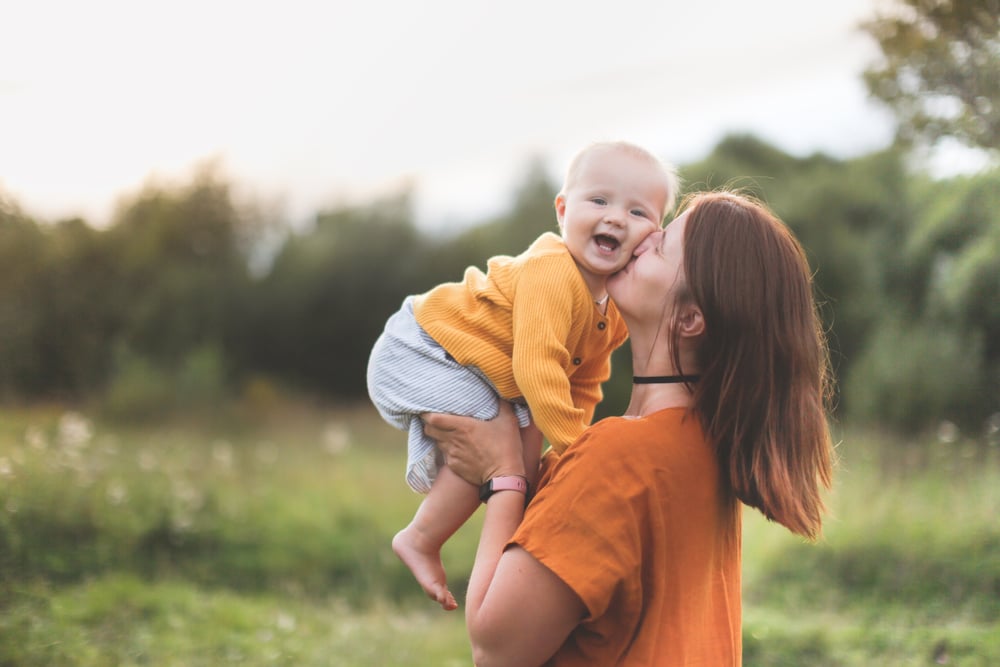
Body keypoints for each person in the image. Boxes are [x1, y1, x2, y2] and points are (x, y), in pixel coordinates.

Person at [423, 190, 835, 666]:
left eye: (661, 245)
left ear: (690, 318)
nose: (642, 236)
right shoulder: (702, 443)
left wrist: (504, 475)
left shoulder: (620, 457)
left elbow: (495, 649)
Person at [367, 141, 680, 610]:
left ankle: (509, 511)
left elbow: (582, 386)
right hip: (425, 347)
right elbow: (537, 370)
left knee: (521, 453)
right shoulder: (552, 271)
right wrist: (580, 452)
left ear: (654, 235)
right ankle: (420, 537)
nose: (615, 217)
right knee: (502, 450)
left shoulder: (611, 311)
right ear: (562, 209)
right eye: (599, 201)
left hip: (473, 366)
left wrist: (566, 453)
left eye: (637, 212)